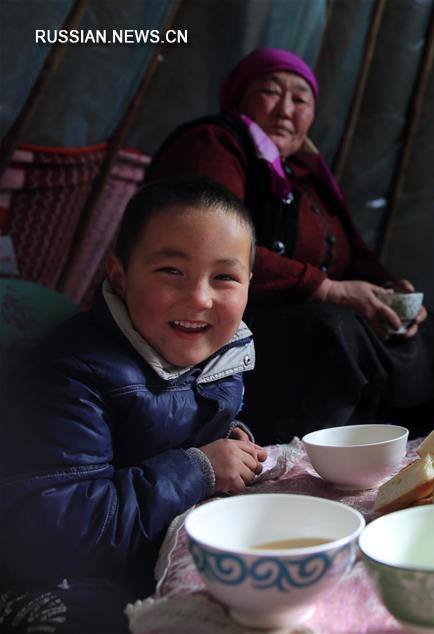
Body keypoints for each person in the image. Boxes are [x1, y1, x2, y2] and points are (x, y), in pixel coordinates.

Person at [145, 48, 434, 442]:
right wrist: (328, 288)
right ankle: (308, 458)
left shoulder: (306, 174)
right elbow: (208, 247)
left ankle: (413, 450)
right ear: (239, 100)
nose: (285, 109)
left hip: (300, 312)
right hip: (234, 316)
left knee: (424, 328)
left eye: (300, 99)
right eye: (269, 92)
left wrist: (393, 290)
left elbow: (355, 256)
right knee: (332, 328)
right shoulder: (215, 143)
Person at [0, 177, 267, 633]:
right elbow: (50, 530)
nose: (199, 298)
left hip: (152, 547)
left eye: (224, 277)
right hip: (54, 576)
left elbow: (190, 421)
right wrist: (198, 469)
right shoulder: (73, 374)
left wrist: (230, 441)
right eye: (171, 271)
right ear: (119, 276)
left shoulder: (216, 352)